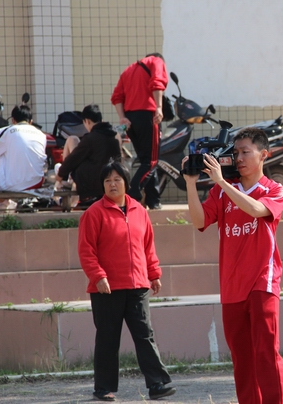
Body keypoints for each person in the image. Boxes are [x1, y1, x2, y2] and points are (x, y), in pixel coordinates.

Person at [183, 127, 283, 404]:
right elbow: (199, 221)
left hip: (263, 282)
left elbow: (256, 209)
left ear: (263, 155)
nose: (238, 158)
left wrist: (221, 181)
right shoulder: (221, 192)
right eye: (236, 152)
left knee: (266, 353)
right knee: (242, 359)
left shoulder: (275, 189)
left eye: (245, 152)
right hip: (232, 286)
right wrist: (191, 184)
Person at [78, 161, 176, 402]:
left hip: (138, 286)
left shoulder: (140, 211)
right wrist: (98, 276)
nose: (112, 184)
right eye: (107, 180)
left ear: (126, 182)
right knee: (108, 338)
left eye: (117, 179)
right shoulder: (94, 213)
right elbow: (86, 250)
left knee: (145, 335)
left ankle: (157, 384)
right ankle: (103, 388)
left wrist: (153, 273)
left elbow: (148, 246)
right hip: (107, 288)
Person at [111, 53, 168, 210]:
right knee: (151, 161)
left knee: (146, 162)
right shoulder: (156, 61)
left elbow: (117, 97)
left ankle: (153, 200)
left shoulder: (128, 70)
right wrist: (159, 107)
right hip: (148, 116)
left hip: (130, 120)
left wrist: (122, 118)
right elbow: (157, 82)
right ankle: (131, 193)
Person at [0, 104, 47, 211]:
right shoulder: (41, 134)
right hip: (36, 182)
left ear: (13, 120)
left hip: (11, 185)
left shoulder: (8, 131)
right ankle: (5, 203)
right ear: (31, 121)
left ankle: (3, 202)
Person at [56, 104, 123, 208]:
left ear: (87, 121)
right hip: (111, 180)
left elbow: (72, 159)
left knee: (72, 142)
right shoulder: (115, 135)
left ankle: (65, 180)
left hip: (91, 185)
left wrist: (60, 175)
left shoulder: (90, 138)